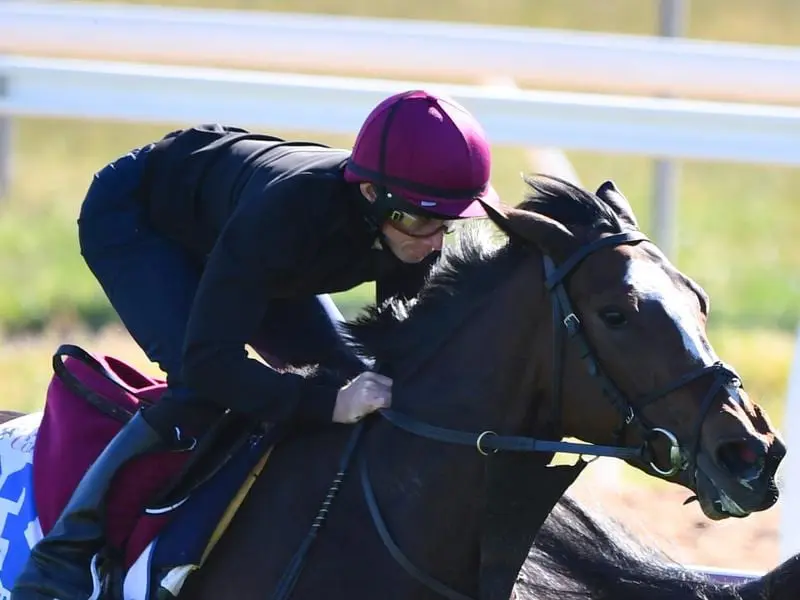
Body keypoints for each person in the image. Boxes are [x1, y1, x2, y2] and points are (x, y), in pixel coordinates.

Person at [10, 89, 501, 600]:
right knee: (203, 392)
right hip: (140, 220)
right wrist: (328, 403)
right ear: (371, 194)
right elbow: (209, 364)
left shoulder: (410, 219)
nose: (434, 242)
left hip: (242, 238)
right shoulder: (291, 214)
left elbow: (399, 359)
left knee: (359, 380)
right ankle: (61, 558)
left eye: (449, 222)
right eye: (420, 221)